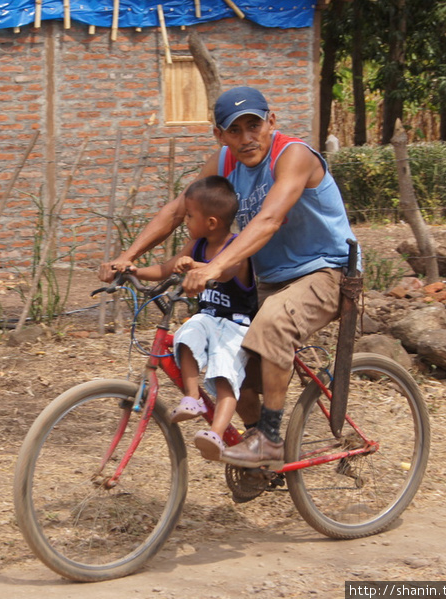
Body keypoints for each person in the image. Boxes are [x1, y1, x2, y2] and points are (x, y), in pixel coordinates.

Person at [100, 86, 357, 469]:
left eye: (254, 125)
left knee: (272, 324)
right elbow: (178, 210)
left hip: (326, 269)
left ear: (271, 121)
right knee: (234, 362)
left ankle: (269, 440)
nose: (246, 137)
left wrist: (215, 268)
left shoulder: (293, 155)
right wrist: (127, 257)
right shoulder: (224, 162)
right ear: (218, 135)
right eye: (234, 130)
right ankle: (254, 443)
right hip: (270, 278)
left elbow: (269, 219)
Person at [129, 176, 257, 461]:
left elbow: (224, 271)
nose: (184, 221)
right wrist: (131, 270)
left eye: (189, 216)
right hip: (209, 320)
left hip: (236, 326)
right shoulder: (196, 245)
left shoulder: (237, 248)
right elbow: (165, 268)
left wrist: (198, 268)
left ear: (211, 222)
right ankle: (193, 397)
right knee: (187, 334)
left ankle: (216, 433)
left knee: (224, 376)